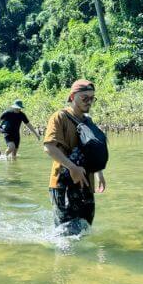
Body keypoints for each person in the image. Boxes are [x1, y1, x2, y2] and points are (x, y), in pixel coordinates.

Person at [43, 80, 107, 234]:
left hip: (86, 183)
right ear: (72, 97)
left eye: (92, 98)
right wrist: (72, 167)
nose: (89, 101)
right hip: (62, 184)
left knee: (85, 229)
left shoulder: (88, 121)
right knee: (65, 235)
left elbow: (92, 150)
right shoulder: (60, 117)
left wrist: (99, 172)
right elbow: (49, 147)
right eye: (84, 97)